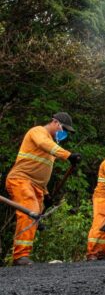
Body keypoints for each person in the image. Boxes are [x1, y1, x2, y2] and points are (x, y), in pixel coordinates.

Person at [4, 113, 81, 266]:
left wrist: (46, 195)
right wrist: (68, 155)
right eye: (64, 129)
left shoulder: (51, 145)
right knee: (30, 211)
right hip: (21, 179)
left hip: (37, 187)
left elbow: (40, 172)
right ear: (55, 122)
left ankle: (22, 256)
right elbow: (44, 144)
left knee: (34, 217)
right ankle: (20, 256)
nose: (64, 134)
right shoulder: (38, 132)